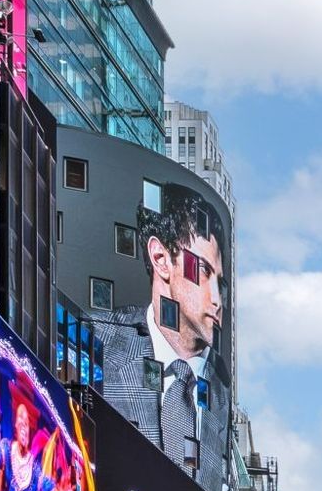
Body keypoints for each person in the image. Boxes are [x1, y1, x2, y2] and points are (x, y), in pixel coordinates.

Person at [90, 183, 230, 472]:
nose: (217, 300)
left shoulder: (221, 396)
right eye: (203, 270)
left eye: (222, 284)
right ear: (161, 259)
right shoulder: (96, 342)